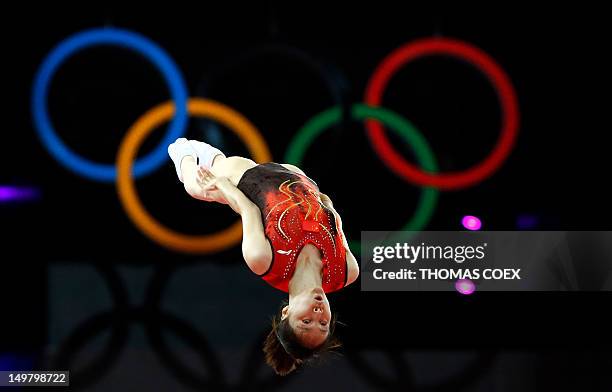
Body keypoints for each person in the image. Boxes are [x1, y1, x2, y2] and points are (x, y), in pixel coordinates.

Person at [168, 138, 359, 375]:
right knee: (213, 168)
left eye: (306, 321)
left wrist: (222, 185)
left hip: (252, 179)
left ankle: (181, 150)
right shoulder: (346, 271)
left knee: (199, 186)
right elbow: (335, 222)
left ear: (287, 313)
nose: (317, 314)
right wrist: (322, 200)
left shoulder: (264, 261)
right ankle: (207, 156)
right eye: (323, 324)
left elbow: (249, 209)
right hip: (299, 180)